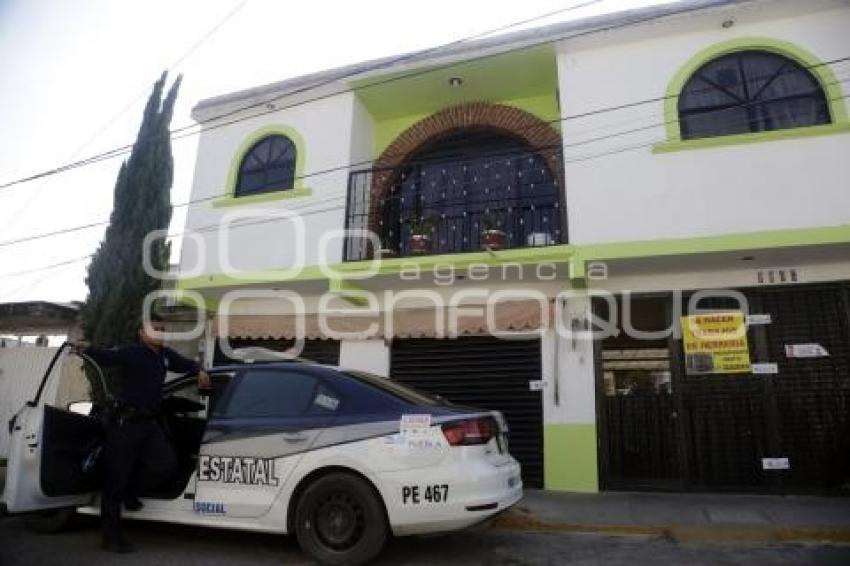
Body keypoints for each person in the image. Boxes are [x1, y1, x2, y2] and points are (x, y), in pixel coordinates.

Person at [72, 315, 211, 553]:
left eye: (162, 329)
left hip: (149, 425)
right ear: (142, 333)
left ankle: (131, 490)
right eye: (154, 329)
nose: (159, 332)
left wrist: (200, 371)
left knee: (165, 465)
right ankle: (111, 538)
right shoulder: (132, 352)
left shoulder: (165, 356)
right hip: (126, 425)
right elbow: (106, 356)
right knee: (114, 482)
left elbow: (187, 364)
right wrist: (86, 349)